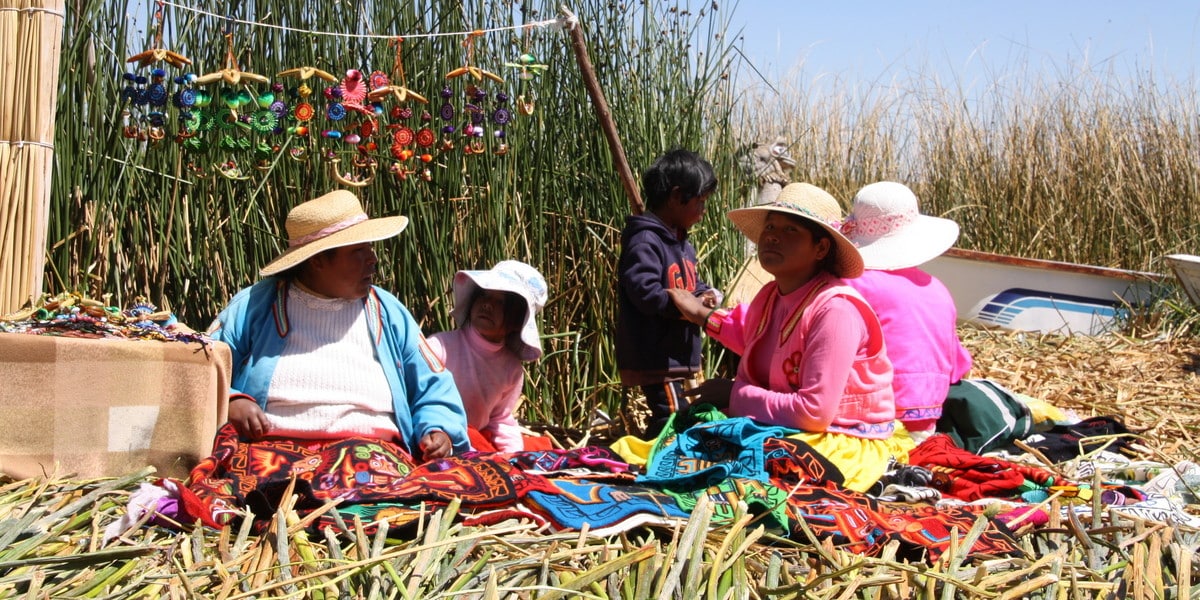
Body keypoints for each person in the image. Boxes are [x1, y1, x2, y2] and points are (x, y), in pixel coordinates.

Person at [667, 182, 908, 492]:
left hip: (842, 438)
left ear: (820, 248)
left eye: (790, 230)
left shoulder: (836, 310)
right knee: (685, 442)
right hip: (791, 427)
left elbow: (814, 412)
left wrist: (734, 395)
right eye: (770, 226)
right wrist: (700, 313)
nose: (772, 236)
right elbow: (757, 341)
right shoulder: (771, 297)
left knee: (739, 473)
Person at [209, 189, 471, 461]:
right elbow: (205, 368)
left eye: (370, 247)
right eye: (359, 250)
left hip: (372, 457)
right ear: (317, 260)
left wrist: (439, 428)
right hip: (273, 454)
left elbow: (433, 383)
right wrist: (231, 400)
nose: (373, 259)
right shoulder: (256, 305)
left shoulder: (387, 311)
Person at [841, 182, 972, 443]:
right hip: (925, 426)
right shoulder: (938, 289)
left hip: (867, 421)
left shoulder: (851, 285)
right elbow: (960, 367)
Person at [616, 148, 721, 439]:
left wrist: (705, 296)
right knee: (671, 419)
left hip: (677, 356)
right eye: (700, 202)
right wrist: (684, 307)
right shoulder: (645, 240)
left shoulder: (682, 245)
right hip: (657, 356)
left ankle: (658, 457)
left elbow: (691, 285)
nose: (703, 211)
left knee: (681, 416)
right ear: (676, 197)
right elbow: (643, 290)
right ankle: (654, 465)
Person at [427, 260, 549, 453]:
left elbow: (500, 418)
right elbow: (420, 400)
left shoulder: (511, 369)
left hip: (473, 441)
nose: (487, 305)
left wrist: (515, 458)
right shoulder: (439, 347)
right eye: (483, 295)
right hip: (434, 437)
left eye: (500, 302)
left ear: (518, 321)